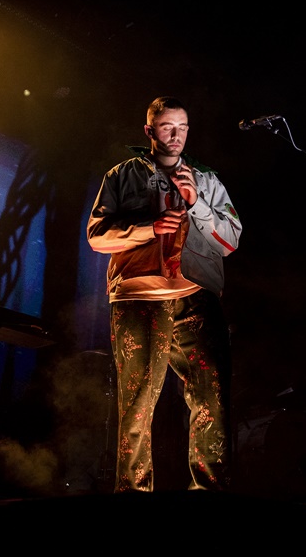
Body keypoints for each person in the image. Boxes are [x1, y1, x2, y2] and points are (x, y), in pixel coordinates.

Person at [87, 96, 243, 492]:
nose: (176, 135)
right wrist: (148, 228)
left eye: (183, 127)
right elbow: (96, 236)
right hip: (139, 296)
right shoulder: (122, 175)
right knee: (138, 400)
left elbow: (230, 241)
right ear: (149, 131)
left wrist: (197, 205)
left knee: (213, 395)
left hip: (196, 295)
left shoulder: (206, 178)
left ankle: (211, 490)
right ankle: (133, 491)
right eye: (167, 127)